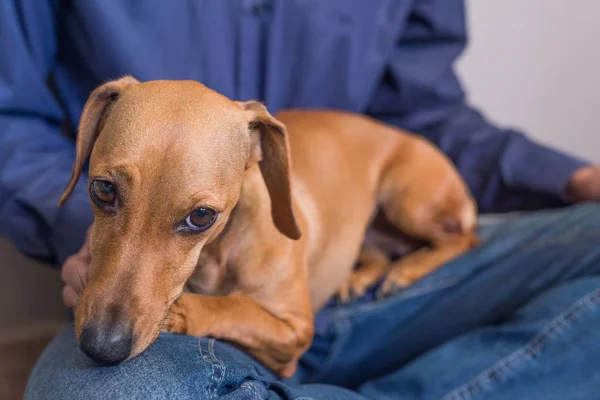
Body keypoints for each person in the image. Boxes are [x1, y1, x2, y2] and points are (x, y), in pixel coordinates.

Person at [2, 1, 600, 398]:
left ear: (268, 165)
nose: (106, 197)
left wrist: (570, 179)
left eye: (197, 217)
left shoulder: (270, 173)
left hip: (383, 275)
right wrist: (78, 224)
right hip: (273, 312)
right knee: (98, 390)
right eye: (107, 192)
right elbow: (9, 116)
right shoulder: (110, 110)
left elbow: (425, 111)